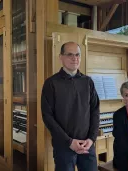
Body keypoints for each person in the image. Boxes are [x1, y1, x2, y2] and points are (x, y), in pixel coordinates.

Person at [41, 41, 100, 171]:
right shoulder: (51, 83)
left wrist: (91, 138)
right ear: (60, 57)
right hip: (64, 146)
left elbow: (95, 111)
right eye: (70, 54)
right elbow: (47, 117)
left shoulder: (88, 82)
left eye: (78, 54)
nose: (75, 58)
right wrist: (69, 142)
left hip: (87, 144)